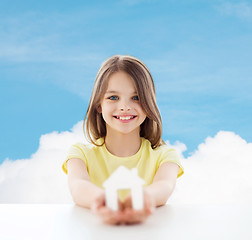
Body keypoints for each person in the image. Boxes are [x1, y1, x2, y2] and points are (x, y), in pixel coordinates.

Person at [62, 55, 184, 225]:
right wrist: (103, 201)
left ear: (149, 104)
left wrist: (143, 199)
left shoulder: (165, 156)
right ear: (99, 105)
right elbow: (78, 185)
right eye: (113, 97)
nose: (124, 107)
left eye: (136, 98)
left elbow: (164, 186)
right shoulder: (80, 154)